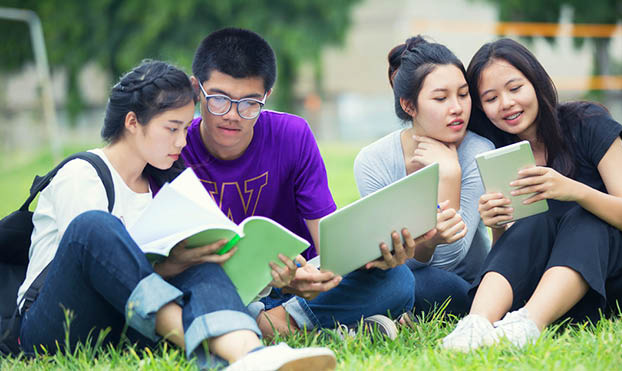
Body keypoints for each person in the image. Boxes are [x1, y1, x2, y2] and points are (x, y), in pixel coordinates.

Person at [17, 60, 337, 370]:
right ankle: (211, 346)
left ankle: (249, 353)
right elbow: (93, 272)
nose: (181, 142)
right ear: (132, 122)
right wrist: (170, 267)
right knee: (93, 227)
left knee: (201, 261)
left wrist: (256, 270)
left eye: (185, 128)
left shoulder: (166, 184)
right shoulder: (82, 174)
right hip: (56, 327)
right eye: (172, 129)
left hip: (127, 329)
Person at [182, 27, 419, 339]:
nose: (233, 115)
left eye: (250, 103)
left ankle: (268, 325)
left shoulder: (291, 135)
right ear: (196, 89)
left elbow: (329, 247)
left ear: (266, 96)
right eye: (219, 100)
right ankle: (319, 327)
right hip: (216, 289)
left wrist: (352, 264)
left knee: (398, 279)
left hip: (296, 289)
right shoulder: (176, 145)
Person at [442, 38, 622, 351]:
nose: (505, 103)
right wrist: (498, 223)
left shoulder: (588, 123)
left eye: (515, 88)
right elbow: (520, 253)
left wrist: (574, 191)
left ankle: (528, 325)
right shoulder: (502, 153)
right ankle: (475, 325)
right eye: (490, 98)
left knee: (585, 217)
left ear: (536, 82)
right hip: (562, 287)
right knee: (535, 222)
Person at [353, 36, 494, 316]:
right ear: (409, 106)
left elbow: (450, 259)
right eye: (441, 98)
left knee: (431, 285)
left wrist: (450, 174)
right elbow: (386, 258)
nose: (457, 108)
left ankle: (380, 316)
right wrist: (425, 243)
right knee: (374, 279)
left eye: (463, 94)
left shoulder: (478, 151)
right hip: (398, 278)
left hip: (461, 285)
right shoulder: (373, 161)